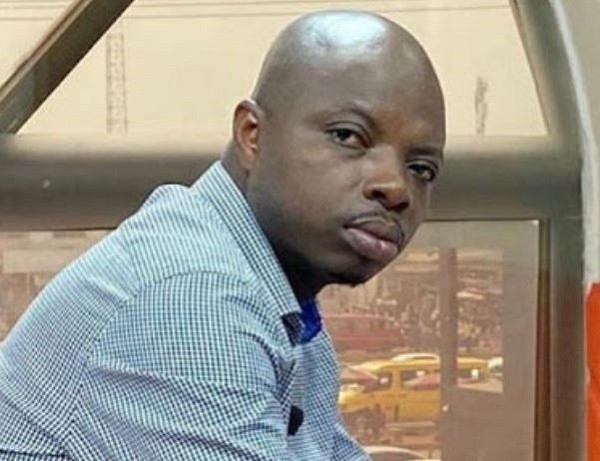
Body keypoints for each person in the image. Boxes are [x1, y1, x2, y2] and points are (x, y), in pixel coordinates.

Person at [0, 9, 445, 460]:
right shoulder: (192, 298)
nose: (395, 188)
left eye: (421, 169)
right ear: (252, 135)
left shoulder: (273, 300)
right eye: (347, 136)